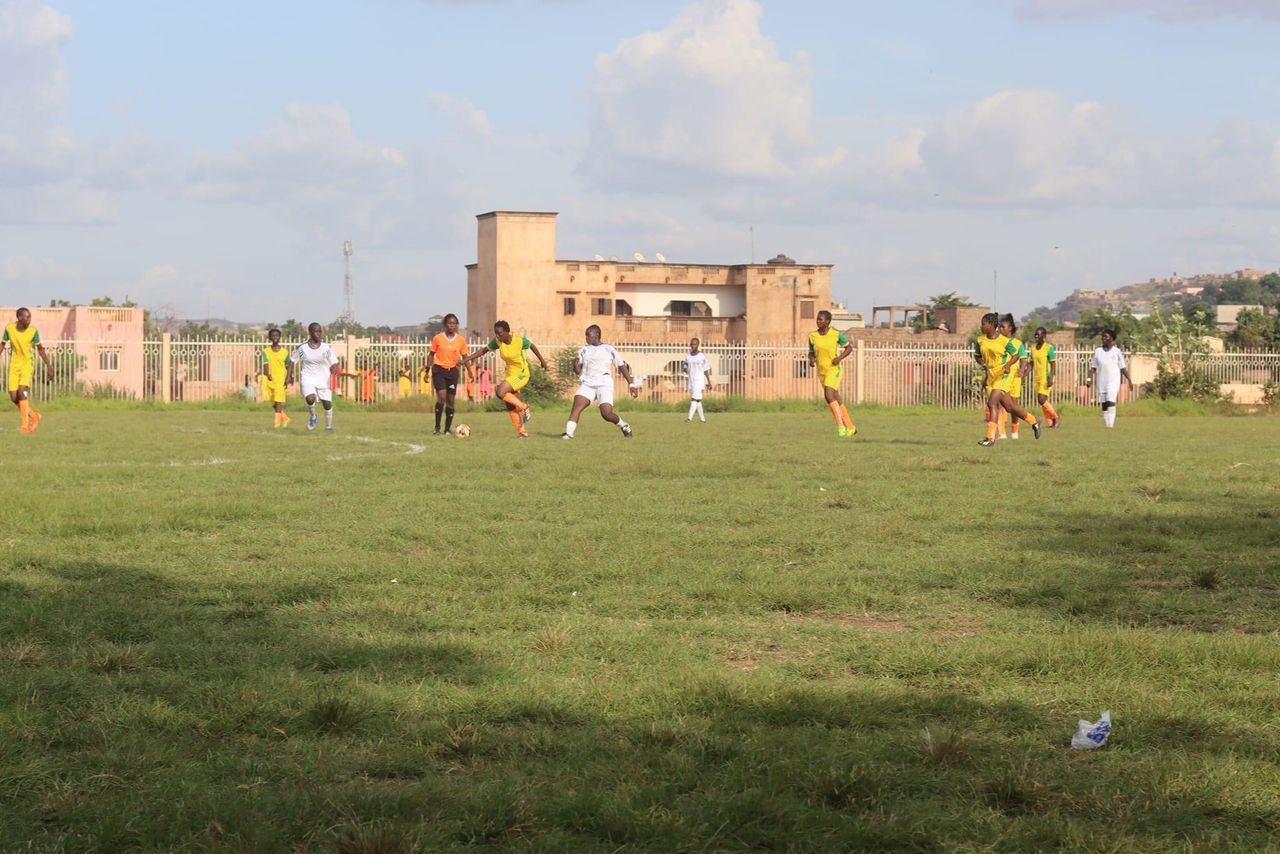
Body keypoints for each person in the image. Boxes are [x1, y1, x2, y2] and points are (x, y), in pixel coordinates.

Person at [462, 320, 548, 438]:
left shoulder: (519, 340)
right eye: (496, 333)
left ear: (508, 332)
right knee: (510, 405)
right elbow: (483, 351)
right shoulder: (498, 342)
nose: (497, 336)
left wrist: (542, 361)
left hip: (522, 374)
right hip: (510, 376)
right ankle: (522, 432)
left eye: (500, 333)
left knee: (500, 391)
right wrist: (467, 359)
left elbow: (532, 346)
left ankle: (524, 407)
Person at [561, 324, 637, 439]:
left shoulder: (608, 349)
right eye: (585, 335)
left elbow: (621, 366)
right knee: (577, 405)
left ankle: (624, 425)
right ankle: (569, 433)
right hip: (588, 383)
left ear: (596, 335)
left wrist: (631, 384)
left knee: (606, 414)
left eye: (588, 335)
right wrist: (575, 364)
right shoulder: (584, 350)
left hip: (604, 383)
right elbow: (578, 370)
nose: (586, 338)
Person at [975, 312, 1040, 446]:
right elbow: (977, 355)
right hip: (992, 375)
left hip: (1004, 375)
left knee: (992, 403)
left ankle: (990, 438)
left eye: (983, 323)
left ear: (992, 325)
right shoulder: (980, 340)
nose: (981, 326)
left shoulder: (1004, 341)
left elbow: (1015, 355)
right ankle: (1034, 421)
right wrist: (983, 363)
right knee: (1010, 407)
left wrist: (1009, 365)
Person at [2, 307, 54, 434]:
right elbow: (2, 344)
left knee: (21, 392)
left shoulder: (33, 331)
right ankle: (34, 416)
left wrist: (49, 366)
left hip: (27, 364)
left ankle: (25, 426)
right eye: (28, 317)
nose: (30, 320)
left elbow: (40, 349)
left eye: (30, 317)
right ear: (20, 318)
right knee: (14, 397)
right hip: (14, 365)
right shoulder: (9, 329)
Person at [807, 310, 856, 437]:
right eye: (817, 319)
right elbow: (811, 352)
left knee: (828, 394)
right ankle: (850, 427)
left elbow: (849, 348)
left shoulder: (836, 334)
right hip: (821, 371)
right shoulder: (812, 336)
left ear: (828, 322)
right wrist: (811, 360)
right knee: (836, 399)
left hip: (834, 369)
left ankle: (841, 427)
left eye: (821, 319)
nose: (818, 321)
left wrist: (839, 358)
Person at [291, 322, 342, 433]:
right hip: (308, 376)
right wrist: (288, 376)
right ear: (310, 332)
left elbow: (334, 362)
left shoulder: (325, 347)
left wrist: (334, 367)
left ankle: (328, 427)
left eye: (319, 331)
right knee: (310, 398)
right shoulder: (303, 348)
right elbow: (292, 361)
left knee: (327, 404)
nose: (318, 333)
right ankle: (313, 417)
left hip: (324, 378)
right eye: (315, 331)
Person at [425, 313, 468, 435]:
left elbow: (465, 356)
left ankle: (447, 429)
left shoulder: (460, 340)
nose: (452, 325)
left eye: (454, 323)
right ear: (445, 324)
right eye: (449, 323)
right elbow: (431, 354)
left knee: (451, 400)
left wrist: (469, 371)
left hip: (452, 372)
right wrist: (427, 370)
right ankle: (437, 428)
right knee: (442, 397)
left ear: (456, 325)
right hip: (439, 370)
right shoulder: (438, 338)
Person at [1088, 329, 1132, 429]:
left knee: (1110, 400)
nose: (1104, 338)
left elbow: (1123, 368)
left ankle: (1110, 426)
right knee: (1104, 403)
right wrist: (1089, 379)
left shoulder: (1116, 352)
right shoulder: (1098, 351)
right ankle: (1107, 424)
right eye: (1103, 336)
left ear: (1112, 338)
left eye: (1106, 337)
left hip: (1113, 381)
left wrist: (1129, 380)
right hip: (1101, 381)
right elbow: (1093, 367)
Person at [997, 314, 1030, 439]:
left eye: (1003, 327)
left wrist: (1022, 371)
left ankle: (1015, 433)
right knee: (1001, 405)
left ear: (1010, 328)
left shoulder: (1018, 343)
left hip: (1015, 378)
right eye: (999, 327)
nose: (1000, 329)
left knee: (1014, 407)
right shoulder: (999, 342)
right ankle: (1002, 433)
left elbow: (1024, 360)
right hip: (1002, 377)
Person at [260, 327, 292, 428]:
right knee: (273, 402)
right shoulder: (265, 351)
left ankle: (276, 423)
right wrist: (267, 373)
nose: (275, 337)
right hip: (269, 379)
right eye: (273, 335)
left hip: (281, 379)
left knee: (279, 401)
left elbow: (289, 365)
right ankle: (285, 418)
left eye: (277, 335)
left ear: (280, 337)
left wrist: (288, 377)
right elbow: (265, 364)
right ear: (270, 337)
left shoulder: (285, 352)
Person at [1030, 326, 1061, 428]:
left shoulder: (1049, 348)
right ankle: (1051, 423)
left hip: (1047, 377)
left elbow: (1053, 363)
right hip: (1037, 377)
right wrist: (1023, 374)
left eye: (1038, 334)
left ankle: (1056, 417)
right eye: (1035, 334)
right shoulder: (1033, 348)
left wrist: (1051, 378)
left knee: (1041, 399)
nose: (1036, 336)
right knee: (1043, 401)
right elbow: (1031, 363)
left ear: (1044, 336)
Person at [683, 337, 712, 423]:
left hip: (699, 380)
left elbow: (706, 370)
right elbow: (685, 366)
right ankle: (703, 420)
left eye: (695, 344)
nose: (693, 346)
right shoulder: (688, 356)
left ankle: (689, 419)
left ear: (698, 345)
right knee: (698, 400)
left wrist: (709, 382)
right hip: (691, 380)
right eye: (691, 344)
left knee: (694, 399)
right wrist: (684, 368)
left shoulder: (702, 356)